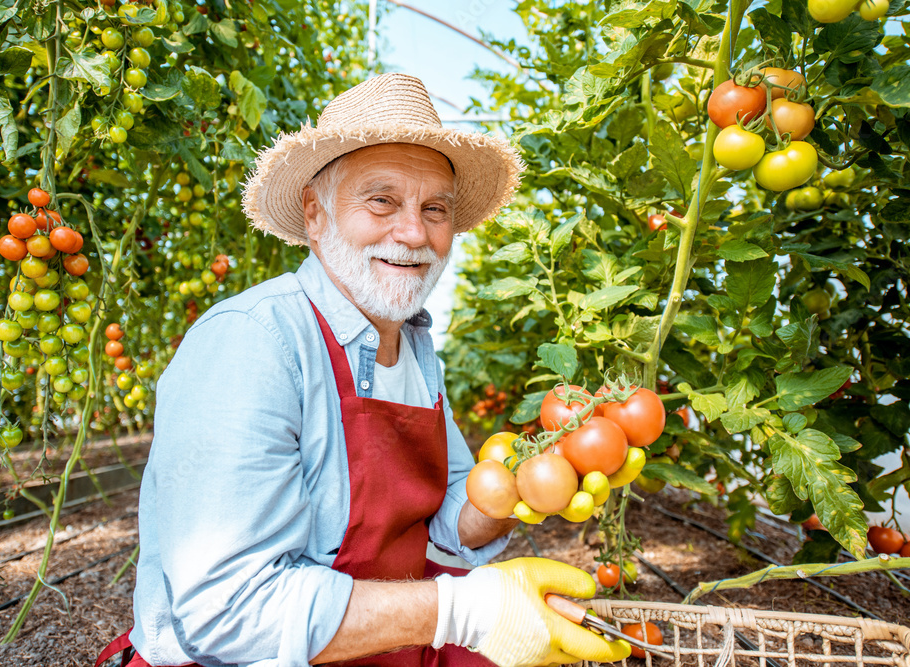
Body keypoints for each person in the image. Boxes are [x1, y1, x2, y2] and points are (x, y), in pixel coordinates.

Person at [95, 73, 630, 667]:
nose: (413, 233)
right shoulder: (253, 343)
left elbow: (447, 517)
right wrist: (465, 611)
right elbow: (227, 612)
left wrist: (522, 486)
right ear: (315, 215)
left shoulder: (415, 347)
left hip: (375, 643)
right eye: (381, 201)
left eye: (436, 209)